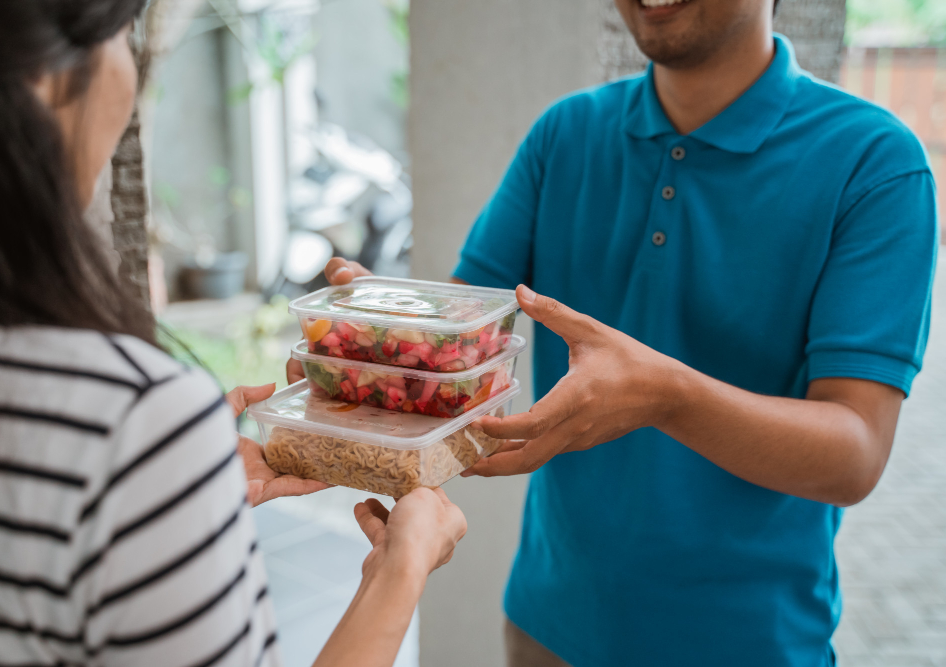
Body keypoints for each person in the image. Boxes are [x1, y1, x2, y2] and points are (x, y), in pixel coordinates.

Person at [302, 0, 939, 665]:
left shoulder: (875, 163)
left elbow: (855, 451)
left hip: (747, 643)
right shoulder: (566, 134)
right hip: (548, 625)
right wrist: (377, 329)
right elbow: (466, 326)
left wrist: (666, 395)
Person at [0, 2, 466, 666]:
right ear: (46, 79)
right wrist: (400, 571)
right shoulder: (133, 424)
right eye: (121, 35)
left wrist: (173, 498)